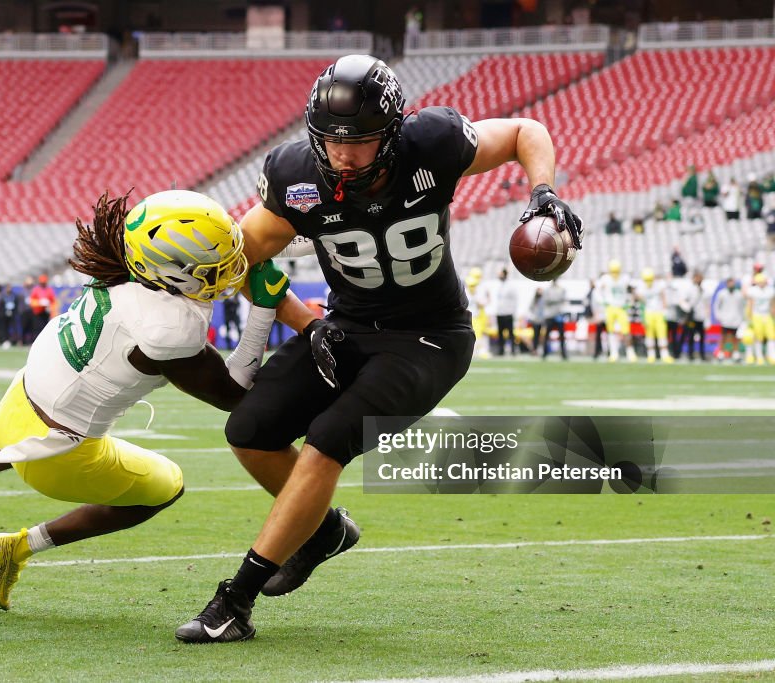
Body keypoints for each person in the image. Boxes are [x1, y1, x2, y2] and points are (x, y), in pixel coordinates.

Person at [175, 54, 583, 643]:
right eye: (332, 140)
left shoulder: (433, 143)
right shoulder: (298, 176)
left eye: (361, 140)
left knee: (326, 443)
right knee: (250, 430)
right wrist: (303, 322)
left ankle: (233, 602)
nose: (344, 154)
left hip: (430, 337)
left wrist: (542, 192)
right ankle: (322, 533)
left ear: (392, 132)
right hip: (347, 325)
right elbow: (239, 257)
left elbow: (525, 132)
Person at [0, 190, 295, 611]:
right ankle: (17, 546)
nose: (228, 268)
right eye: (211, 264)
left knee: (48, 421)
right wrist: (263, 310)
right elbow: (234, 394)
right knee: (166, 487)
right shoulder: (167, 328)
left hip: (16, 407)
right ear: (172, 272)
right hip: (60, 452)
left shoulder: (119, 269)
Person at [597, 260, 636, 362]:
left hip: (621, 307)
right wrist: (603, 301)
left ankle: (630, 352)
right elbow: (597, 291)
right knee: (611, 331)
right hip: (610, 307)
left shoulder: (625, 278)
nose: (615, 274)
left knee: (626, 331)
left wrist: (630, 301)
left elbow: (633, 289)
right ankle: (614, 353)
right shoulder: (605, 278)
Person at [636, 268, 672, 363]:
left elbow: (663, 297)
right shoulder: (641, 287)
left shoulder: (659, 285)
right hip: (648, 313)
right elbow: (641, 302)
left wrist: (665, 310)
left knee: (662, 334)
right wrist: (642, 315)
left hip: (659, 312)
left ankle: (664, 355)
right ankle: (651, 355)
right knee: (649, 335)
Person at [678, 271, 708, 361]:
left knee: (702, 337)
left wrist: (707, 317)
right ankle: (690, 354)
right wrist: (688, 308)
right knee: (690, 336)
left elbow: (705, 304)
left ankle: (702, 355)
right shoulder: (690, 289)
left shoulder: (703, 290)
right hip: (692, 317)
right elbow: (682, 301)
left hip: (701, 317)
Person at [714, 277, 746, 362]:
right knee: (723, 336)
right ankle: (720, 353)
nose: (731, 285)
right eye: (730, 283)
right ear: (727, 284)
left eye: (732, 283)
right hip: (725, 319)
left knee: (736, 337)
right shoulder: (722, 293)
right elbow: (717, 306)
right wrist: (719, 316)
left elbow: (742, 307)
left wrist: (742, 318)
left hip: (736, 319)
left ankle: (736, 354)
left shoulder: (739, 294)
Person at [746, 272, 775, 364]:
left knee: (771, 336)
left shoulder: (770, 290)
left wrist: (773, 316)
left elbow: (772, 304)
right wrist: (749, 318)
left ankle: (771, 356)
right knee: (758, 337)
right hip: (756, 315)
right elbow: (750, 304)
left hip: (767, 315)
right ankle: (759, 356)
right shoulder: (753, 290)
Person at [541, 279, 567, 360]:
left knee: (562, 336)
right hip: (550, 315)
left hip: (558, 315)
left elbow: (562, 299)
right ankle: (544, 353)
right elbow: (547, 300)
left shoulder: (561, 289)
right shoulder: (548, 290)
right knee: (546, 335)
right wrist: (557, 300)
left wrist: (555, 300)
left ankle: (563, 353)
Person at [494, 268, 518, 355]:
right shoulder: (500, 286)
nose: (499, 276)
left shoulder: (510, 286)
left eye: (500, 274)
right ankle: (501, 351)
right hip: (500, 313)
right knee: (500, 333)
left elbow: (515, 300)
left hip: (508, 313)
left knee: (510, 333)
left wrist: (513, 312)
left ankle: (513, 350)